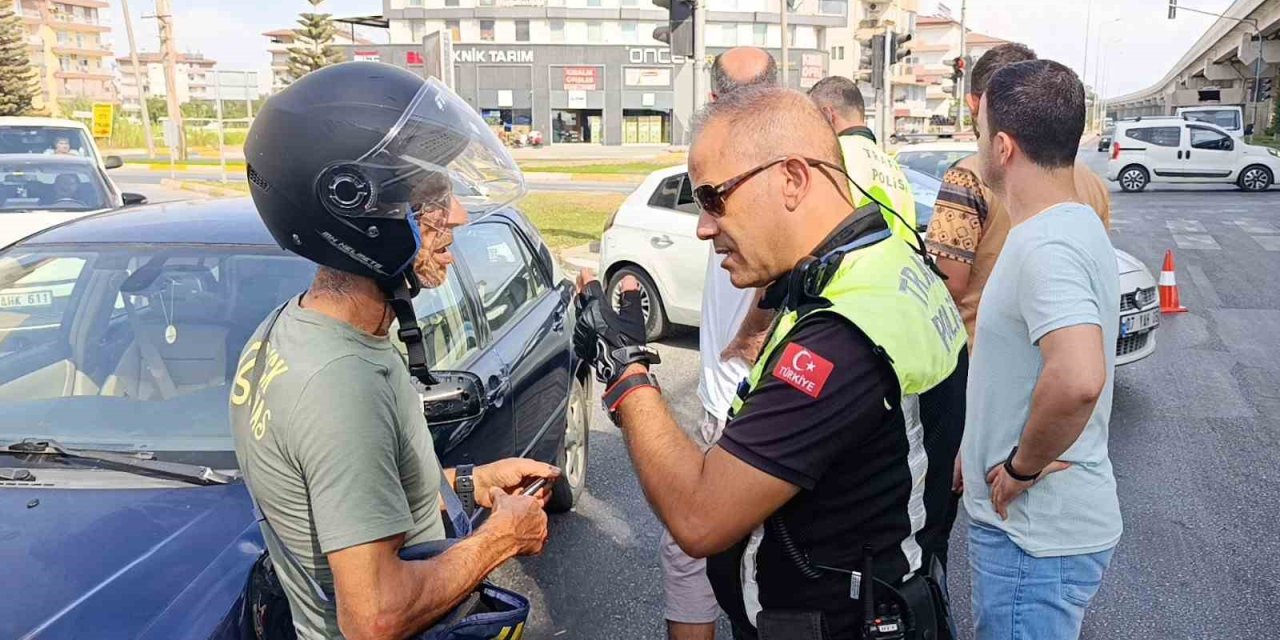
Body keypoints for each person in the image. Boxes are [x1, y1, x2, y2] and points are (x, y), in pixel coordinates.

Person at [574, 86, 967, 640]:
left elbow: (699, 516)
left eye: (714, 198)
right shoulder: (883, 261)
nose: (704, 226)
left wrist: (625, 369)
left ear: (793, 178)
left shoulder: (842, 337)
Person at [231, 62, 559, 640]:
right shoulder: (339, 386)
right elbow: (374, 617)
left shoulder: (291, 330)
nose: (455, 215)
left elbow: (346, 491)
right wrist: (499, 539)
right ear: (357, 213)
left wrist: (467, 484)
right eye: (431, 197)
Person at [962, 59, 1121, 640]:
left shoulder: (1046, 243)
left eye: (980, 133)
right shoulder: (1072, 222)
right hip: (1042, 534)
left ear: (1002, 146)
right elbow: (1024, 368)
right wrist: (976, 443)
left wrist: (1020, 467)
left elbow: (1078, 376)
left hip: (1033, 538)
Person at [665, 45, 778, 640]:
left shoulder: (767, 166)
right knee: (719, 556)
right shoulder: (751, 157)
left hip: (747, 402)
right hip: (730, 397)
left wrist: (749, 336)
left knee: (701, 540)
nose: (707, 225)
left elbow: (799, 263)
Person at [925, 43, 1111, 348]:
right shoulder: (1091, 183)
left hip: (981, 357)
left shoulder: (967, 178)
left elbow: (950, 287)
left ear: (976, 104)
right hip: (1055, 355)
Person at [807, 75, 917, 238]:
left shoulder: (832, 157)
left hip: (851, 263)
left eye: (812, 118)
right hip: (901, 261)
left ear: (828, 115)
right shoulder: (893, 166)